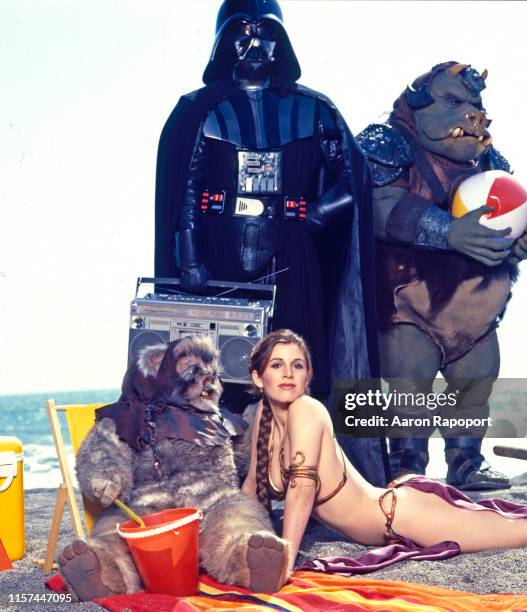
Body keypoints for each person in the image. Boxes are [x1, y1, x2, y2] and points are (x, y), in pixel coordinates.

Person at [154, 0, 388, 485]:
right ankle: (226, 480)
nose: (255, 45)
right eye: (242, 34)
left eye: (266, 34)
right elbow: (187, 189)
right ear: (224, 42)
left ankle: (301, 474)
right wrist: (190, 255)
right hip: (219, 251)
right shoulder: (200, 111)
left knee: (295, 365)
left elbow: (354, 177)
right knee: (220, 368)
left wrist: (319, 214)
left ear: (282, 41)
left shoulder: (314, 109)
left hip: (293, 251)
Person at [241, 329, 527, 576]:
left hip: (405, 516)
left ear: (308, 375)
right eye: (276, 365)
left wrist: (284, 560)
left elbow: (302, 489)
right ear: (258, 378)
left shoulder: (307, 410)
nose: (288, 373)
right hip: (396, 508)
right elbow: (250, 493)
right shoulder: (264, 418)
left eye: (297, 365)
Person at [356, 62, 527, 490]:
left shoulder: (491, 161)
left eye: (475, 102)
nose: (471, 112)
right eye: (454, 101)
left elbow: (507, 217)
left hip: (472, 308)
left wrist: (518, 241)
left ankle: (466, 461)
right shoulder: (388, 144)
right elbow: (380, 208)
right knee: (410, 374)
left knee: (478, 374)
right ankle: (407, 462)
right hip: (407, 302)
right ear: (418, 104)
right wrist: (449, 232)